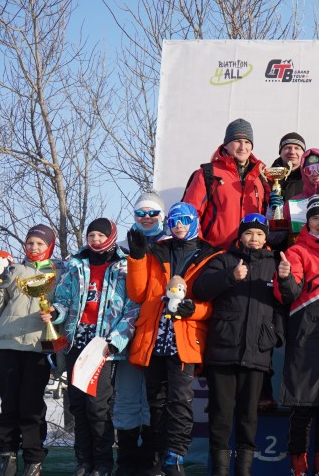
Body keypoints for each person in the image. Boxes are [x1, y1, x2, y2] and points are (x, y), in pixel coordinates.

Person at [125, 202, 221, 475]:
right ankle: (157, 454)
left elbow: (212, 303)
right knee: (155, 400)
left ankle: (174, 457)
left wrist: (194, 309)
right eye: (175, 220)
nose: (179, 225)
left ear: (194, 221)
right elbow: (138, 293)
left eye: (185, 220)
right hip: (153, 335)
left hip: (184, 337)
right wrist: (137, 258)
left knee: (179, 400)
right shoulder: (157, 251)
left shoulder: (209, 255)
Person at [193, 214, 284, 476]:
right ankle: (219, 472)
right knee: (220, 416)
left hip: (257, 352)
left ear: (266, 237)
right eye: (248, 234)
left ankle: (243, 471)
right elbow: (200, 290)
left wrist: (275, 335)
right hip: (223, 350)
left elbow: (282, 302)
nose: (253, 239)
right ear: (239, 236)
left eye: (259, 234)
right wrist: (230, 276)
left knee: (248, 417)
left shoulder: (275, 264)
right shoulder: (223, 259)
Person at [48, 219, 138, 476]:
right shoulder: (76, 264)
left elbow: (133, 309)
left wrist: (116, 341)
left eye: (100, 235)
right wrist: (56, 311)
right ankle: (83, 461)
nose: (95, 239)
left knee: (97, 406)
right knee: (78, 404)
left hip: (102, 344)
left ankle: (102, 463)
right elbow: (64, 299)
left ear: (111, 236)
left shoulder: (125, 265)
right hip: (77, 340)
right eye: (92, 235)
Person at [274, 193, 319, 476]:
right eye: (315, 218)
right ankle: (299, 468)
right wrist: (284, 276)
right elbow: (288, 295)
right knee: (302, 410)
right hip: (306, 340)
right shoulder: (297, 251)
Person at [0, 224, 59, 476]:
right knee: (10, 403)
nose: (34, 247)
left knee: (32, 405)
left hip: (40, 347)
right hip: (9, 345)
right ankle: (7, 455)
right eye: (30, 243)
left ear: (49, 245)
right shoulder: (11, 270)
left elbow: (65, 308)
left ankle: (34, 459)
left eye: (39, 243)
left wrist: (56, 315)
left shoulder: (58, 273)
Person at [114, 192, 168, 476]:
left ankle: (149, 460)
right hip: (124, 334)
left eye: (153, 213)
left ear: (162, 215)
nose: (147, 218)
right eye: (141, 213)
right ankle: (126, 461)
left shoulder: (171, 246)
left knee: (152, 399)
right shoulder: (121, 248)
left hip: (154, 333)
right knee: (125, 397)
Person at [182, 118, 270, 249]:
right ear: (226, 144)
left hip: (250, 254)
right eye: (237, 141)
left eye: (247, 142)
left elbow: (265, 215)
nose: (242, 147)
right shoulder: (207, 174)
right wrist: (201, 247)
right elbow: (189, 214)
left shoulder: (261, 176)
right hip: (215, 253)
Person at [271, 132, 307, 200]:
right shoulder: (268, 178)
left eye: (297, 148)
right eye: (287, 147)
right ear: (280, 152)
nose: (292, 152)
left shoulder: (310, 179)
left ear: (303, 153)